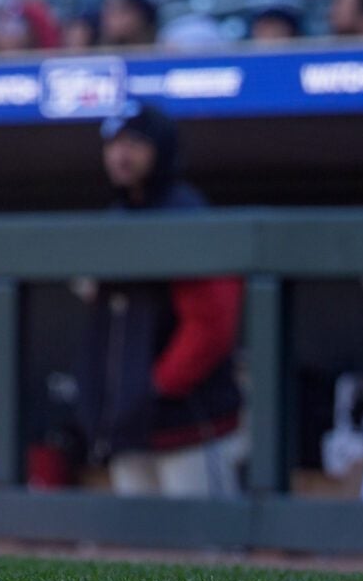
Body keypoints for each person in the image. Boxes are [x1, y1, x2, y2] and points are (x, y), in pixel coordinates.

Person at [78, 105, 243, 498]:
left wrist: (153, 387)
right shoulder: (114, 220)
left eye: (134, 143)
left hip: (188, 422)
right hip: (128, 426)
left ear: (160, 148)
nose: (120, 154)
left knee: (206, 550)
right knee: (135, 554)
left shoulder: (186, 213)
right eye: (113, 144)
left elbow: (211, 327)